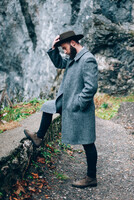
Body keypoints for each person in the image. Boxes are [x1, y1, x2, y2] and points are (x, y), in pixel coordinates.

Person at [24, 31, 98, 188]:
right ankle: (39, 137)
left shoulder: (87, 59)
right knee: (48, 107)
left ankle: (91, 177)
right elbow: (59, 63)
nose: (64, 52)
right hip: (67, 101)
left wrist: (78, 103)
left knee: (88, 142)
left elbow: (91, 87)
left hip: (80, 107)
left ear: (73, 43)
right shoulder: (73, 58)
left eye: (64, 48)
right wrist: (54, 48)